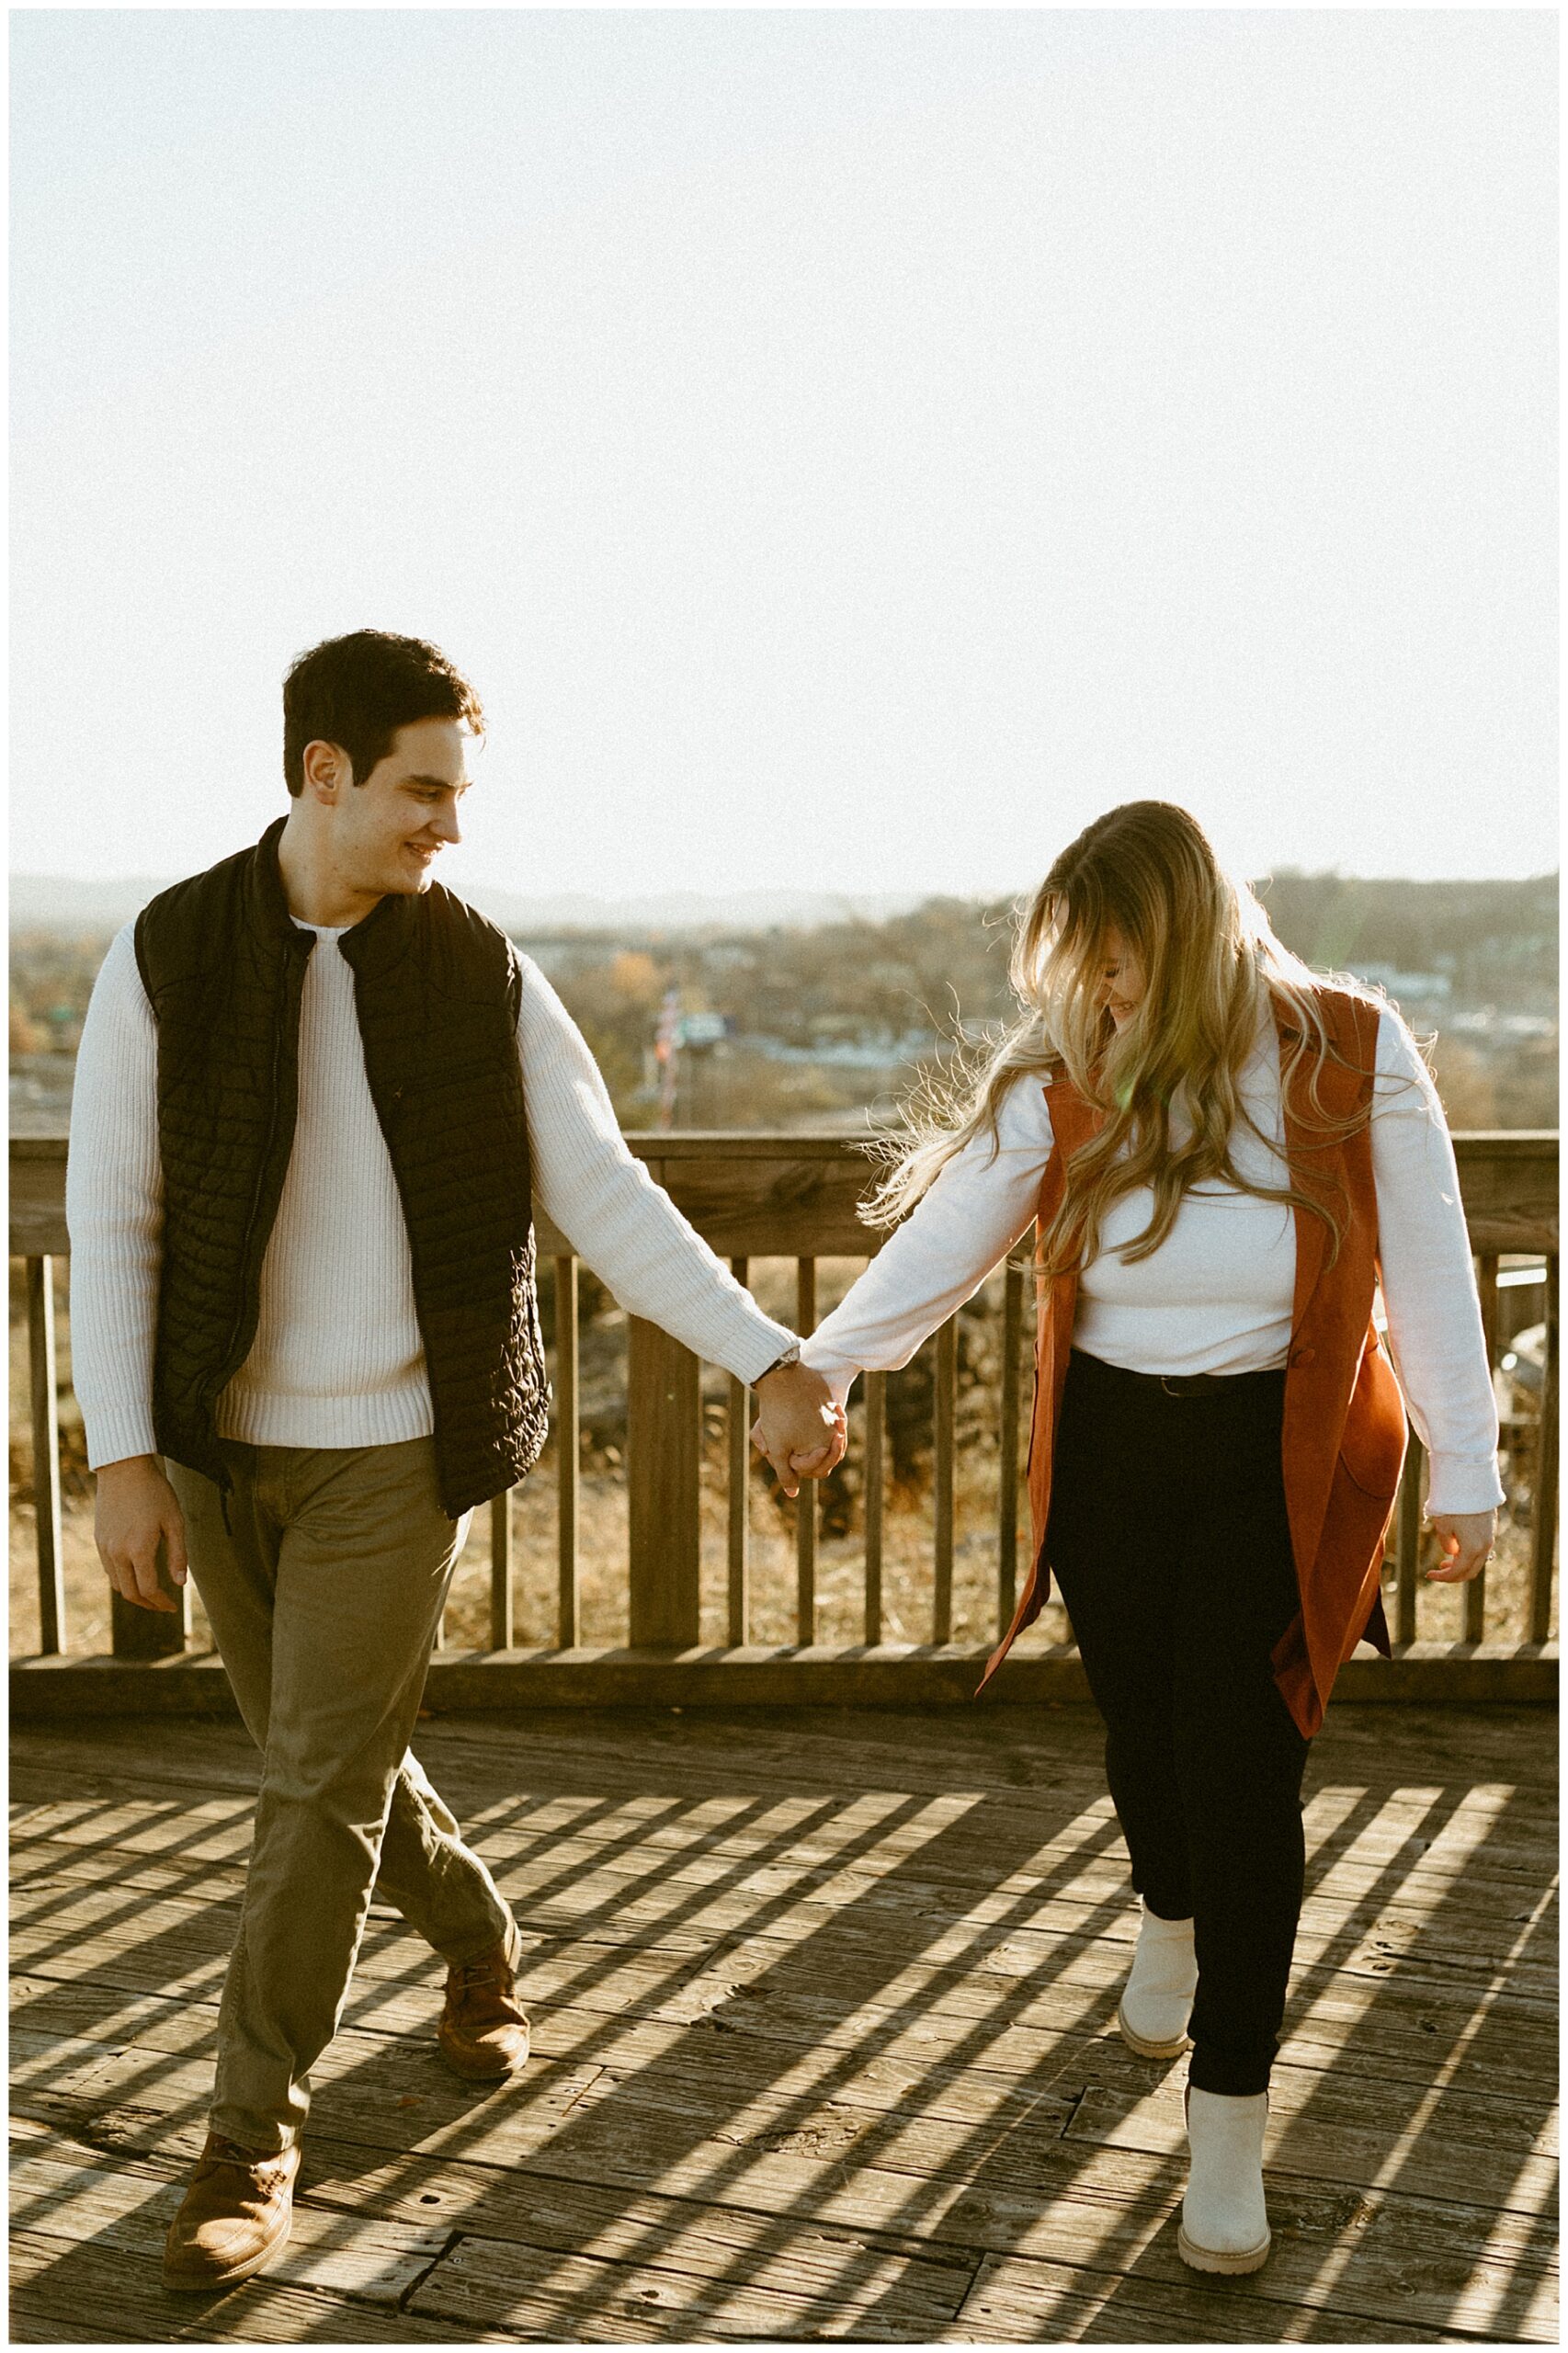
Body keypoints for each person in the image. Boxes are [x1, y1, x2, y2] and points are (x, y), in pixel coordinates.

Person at [66, 628, 845, 2291]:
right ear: (323, 772)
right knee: (320, 1767)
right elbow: (111, 1214)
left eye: (459, 794)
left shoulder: (477, 969)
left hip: (396, 1454)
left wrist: (770, 1356)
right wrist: (122, 1454)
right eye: (424, 790)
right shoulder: (170, 950)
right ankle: (484, 1938)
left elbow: (608, 1196)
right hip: (216, 1448)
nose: (451, 827)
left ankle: (246, 2135)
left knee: (313, 1783)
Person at [783, 801, 1500, 2275]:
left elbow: (1427, 1265)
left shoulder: (1348, 1050)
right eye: (1083, 966)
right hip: (1111, 1450)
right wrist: (825, 1365)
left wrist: (1464, 1472)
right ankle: (1161, 1915)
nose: (1098, 993)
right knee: (1141, 1741)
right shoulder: (1068, 1073)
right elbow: (948, 1236)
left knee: (1244, 1772)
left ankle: (1223, 2121)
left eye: (1117, 963)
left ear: (1188, 935)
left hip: (1276, 1458)